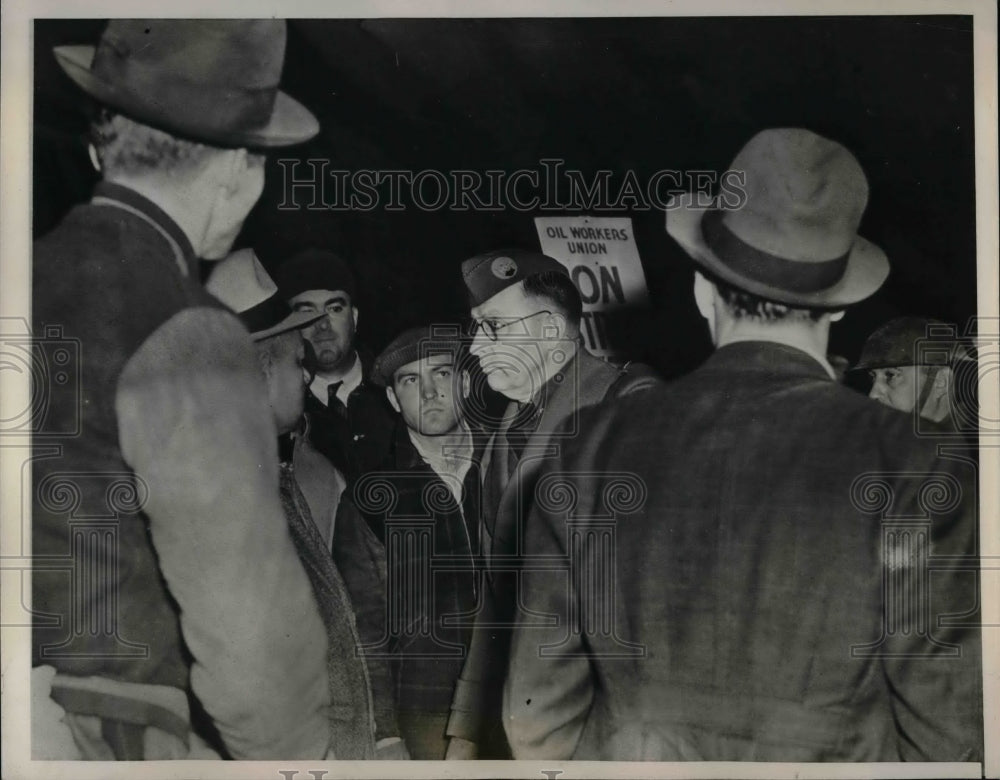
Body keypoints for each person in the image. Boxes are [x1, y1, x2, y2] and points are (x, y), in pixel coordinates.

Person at [503, 128, 982, 761]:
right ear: (837, 309)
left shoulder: (590, 448)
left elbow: (535, 717)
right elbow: (947, 733)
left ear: (704, 291)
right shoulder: (919, 465)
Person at [31, 20, 335, 760]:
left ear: (101, 144)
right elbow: (247, 627)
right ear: (237, 171)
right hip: (106, 730)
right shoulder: (186, 329)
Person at [445, 250, 661, 758]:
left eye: (492, 327)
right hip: (522, 724)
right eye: (476, 328)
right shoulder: (500, 437)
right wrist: (466, 732)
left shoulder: (627, 405)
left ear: (548, 331)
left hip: (603, 727)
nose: (475, 347)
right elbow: (497, 605)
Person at [205, 250, 408, 759]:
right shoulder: (211, 490)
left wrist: (381, 733)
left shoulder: (305, 468)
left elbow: (357, 613)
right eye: (297, 363)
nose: (305, 375)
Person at [360, 325, 485, 758]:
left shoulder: (510, 466)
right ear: (394, 399)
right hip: (425, 711)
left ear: (465, 382)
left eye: (442, 374)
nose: (430, 392)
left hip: (513, 699)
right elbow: (365, 627)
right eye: (411, 381)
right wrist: (386, 733)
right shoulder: (372, 498)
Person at [273, 249, 396, 496]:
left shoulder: (398, 388)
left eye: (335, 308)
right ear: (286, 327)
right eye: (306, 311)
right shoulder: (278, 413)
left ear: (355, 317)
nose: (323, 324)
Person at [855, 316, 977, 434]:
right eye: (873, 377)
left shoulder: (978, 447)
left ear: (941, 381)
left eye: (891, 376)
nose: (872, 394)